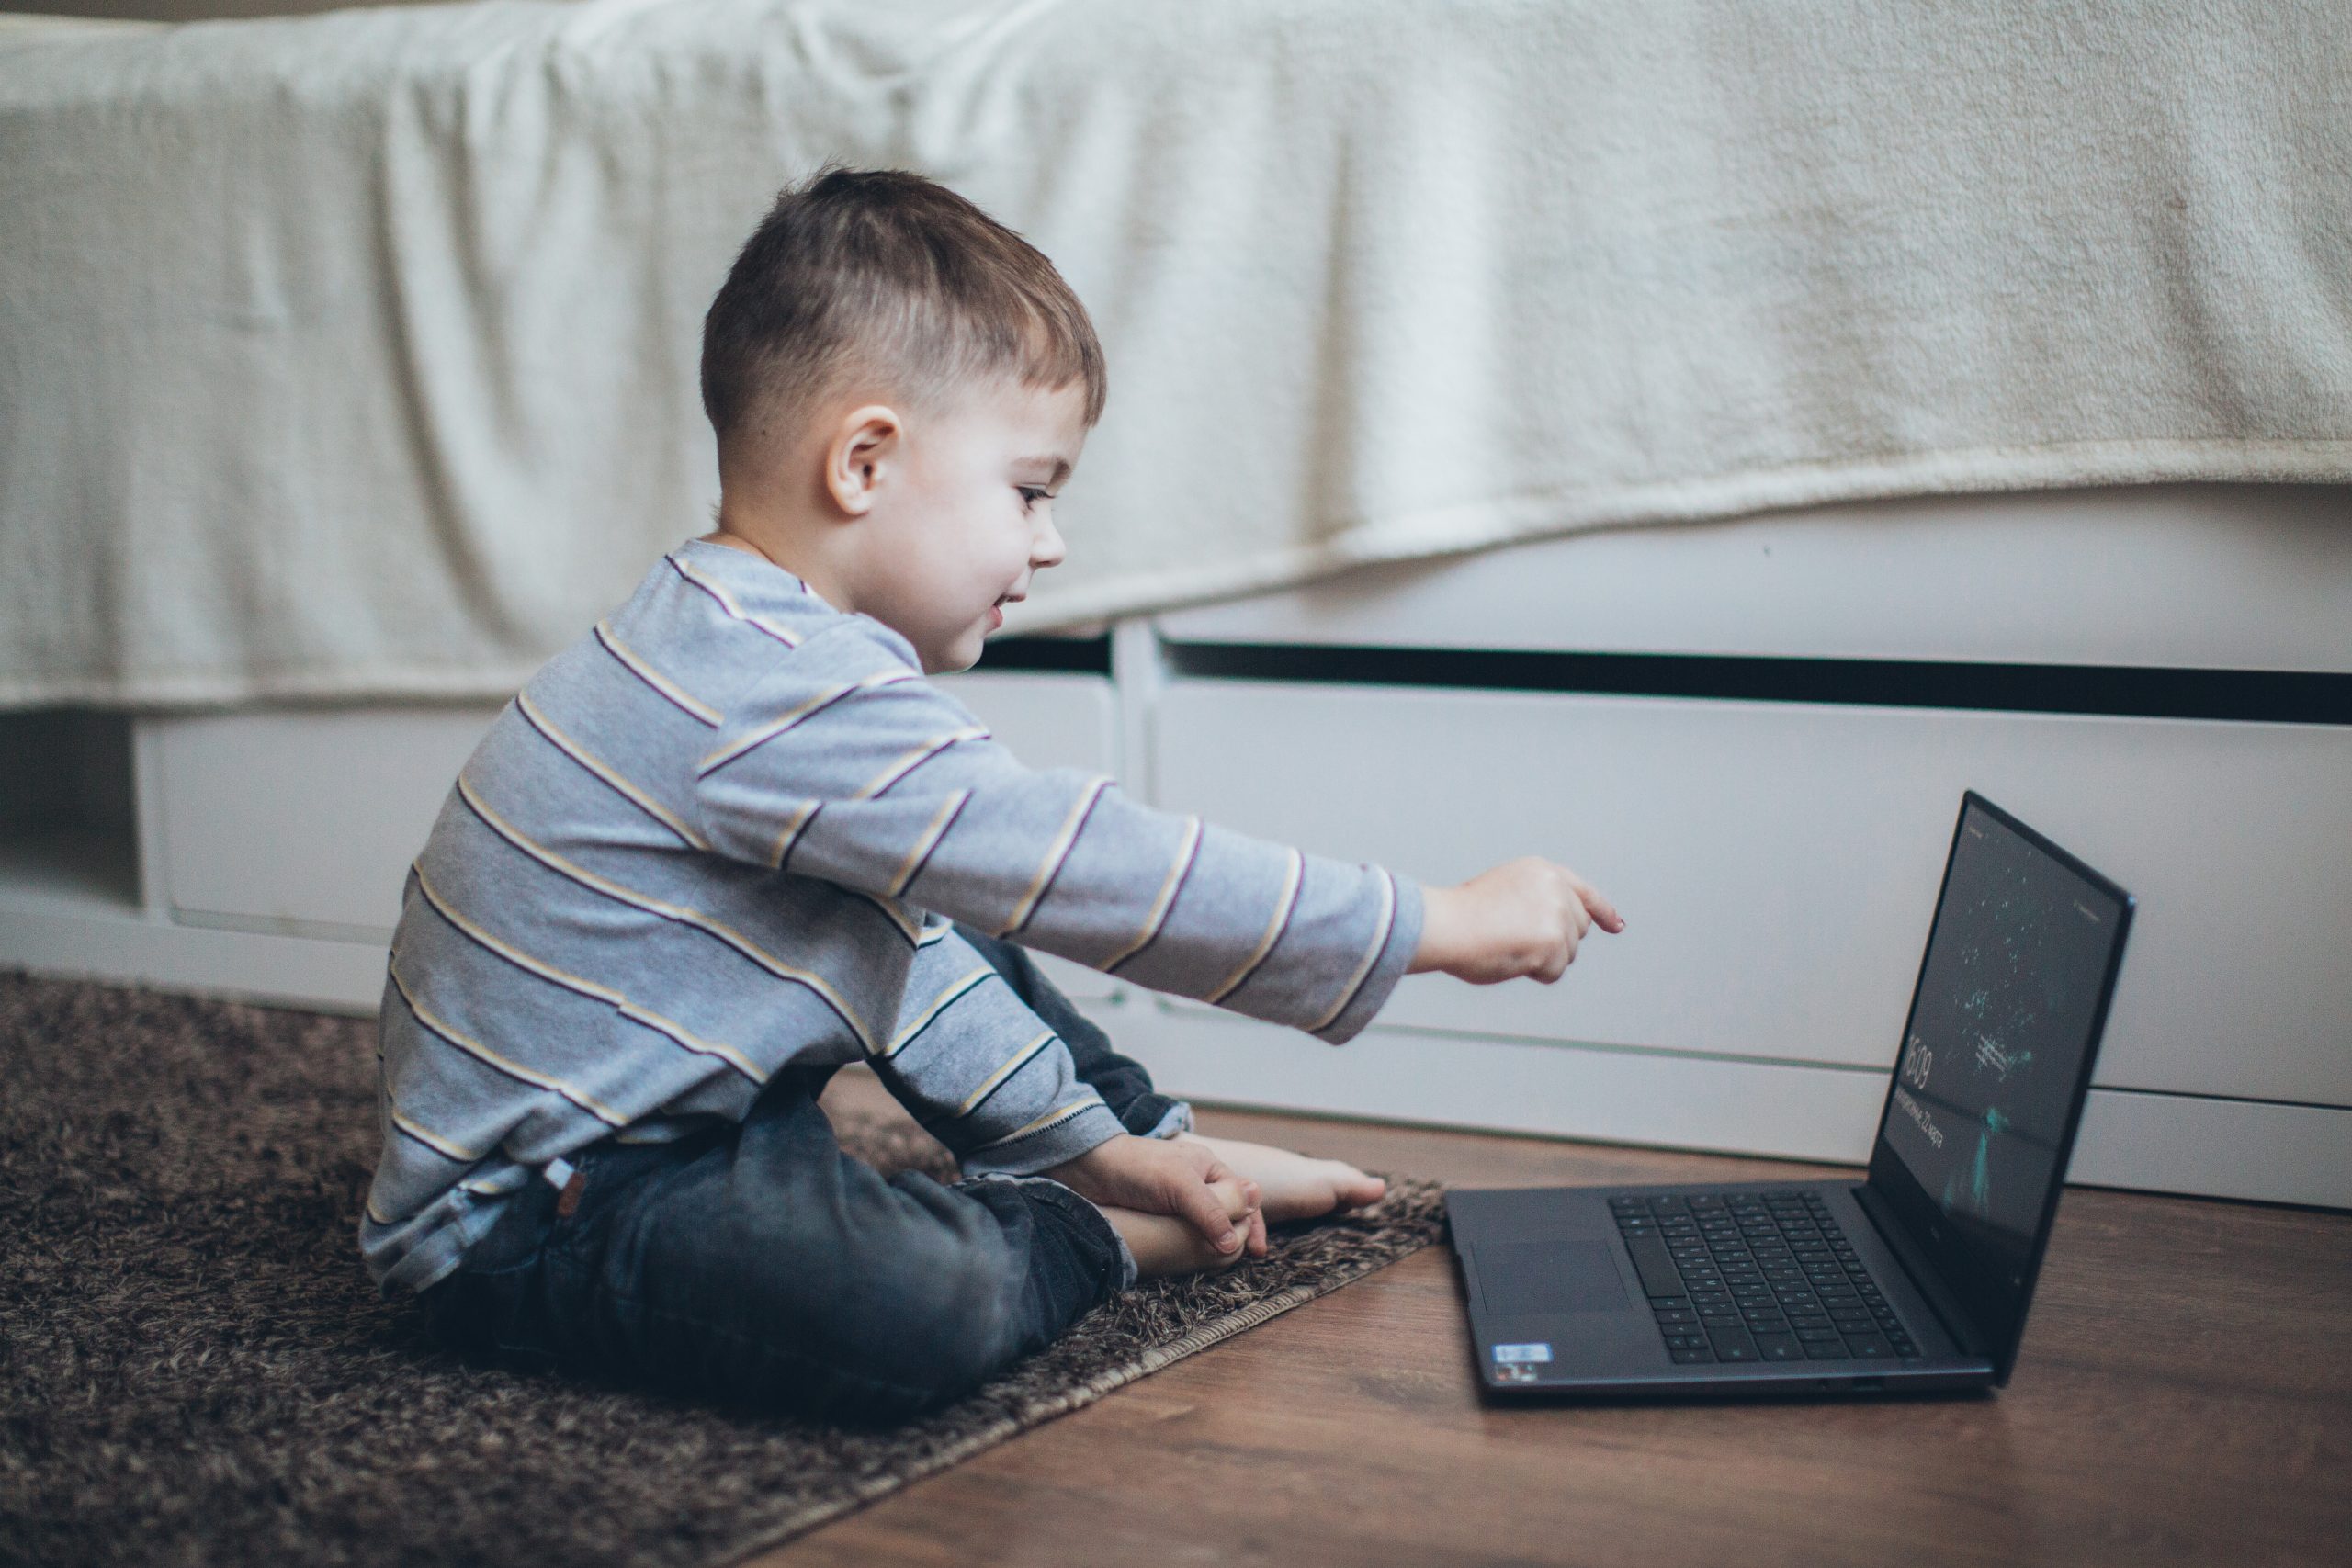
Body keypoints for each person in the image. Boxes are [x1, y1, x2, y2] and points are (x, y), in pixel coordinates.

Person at [361, 166, 1623, 1421]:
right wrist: (1434, 923)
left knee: (946, 904)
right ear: (863, 461)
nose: (1051, 540)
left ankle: (1158, 1156)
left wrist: (1106, 1141)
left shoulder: (751, 648)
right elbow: (1088, 867)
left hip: (684, 1121)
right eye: (1030, 491)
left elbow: (912, 955)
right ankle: (1100, 1237)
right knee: (925, 1298)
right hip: (533, 1213)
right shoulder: (764, 689)